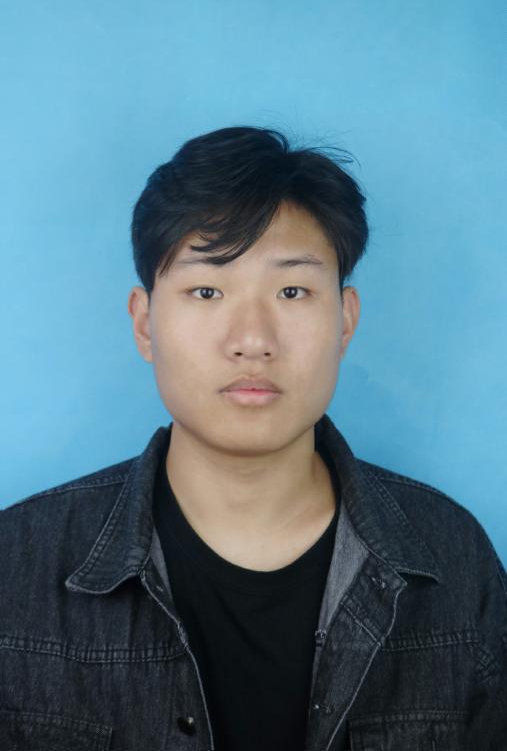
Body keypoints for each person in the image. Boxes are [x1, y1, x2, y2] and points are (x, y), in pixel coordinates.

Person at [1, 126, 505, 751]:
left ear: (345, 321)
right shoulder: (16, 564)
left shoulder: (454, 559)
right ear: (145, 324)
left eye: (292, 291)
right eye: (207, 291)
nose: (252, 340)